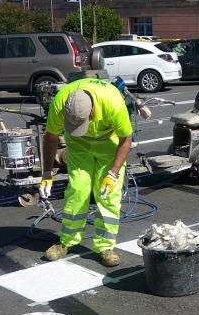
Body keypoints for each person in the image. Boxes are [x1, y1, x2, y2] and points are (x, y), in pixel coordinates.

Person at [39, 77, 133, 268]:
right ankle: (67, 240)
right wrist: (47, 174)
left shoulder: (113, 103)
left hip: (109, 145)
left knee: (107, 194)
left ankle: (105, 247)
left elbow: (126, 140)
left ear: (92, 111)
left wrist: (113, 173)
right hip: (79, 145)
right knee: (78, 190)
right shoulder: (61, 102)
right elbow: (50, 137)